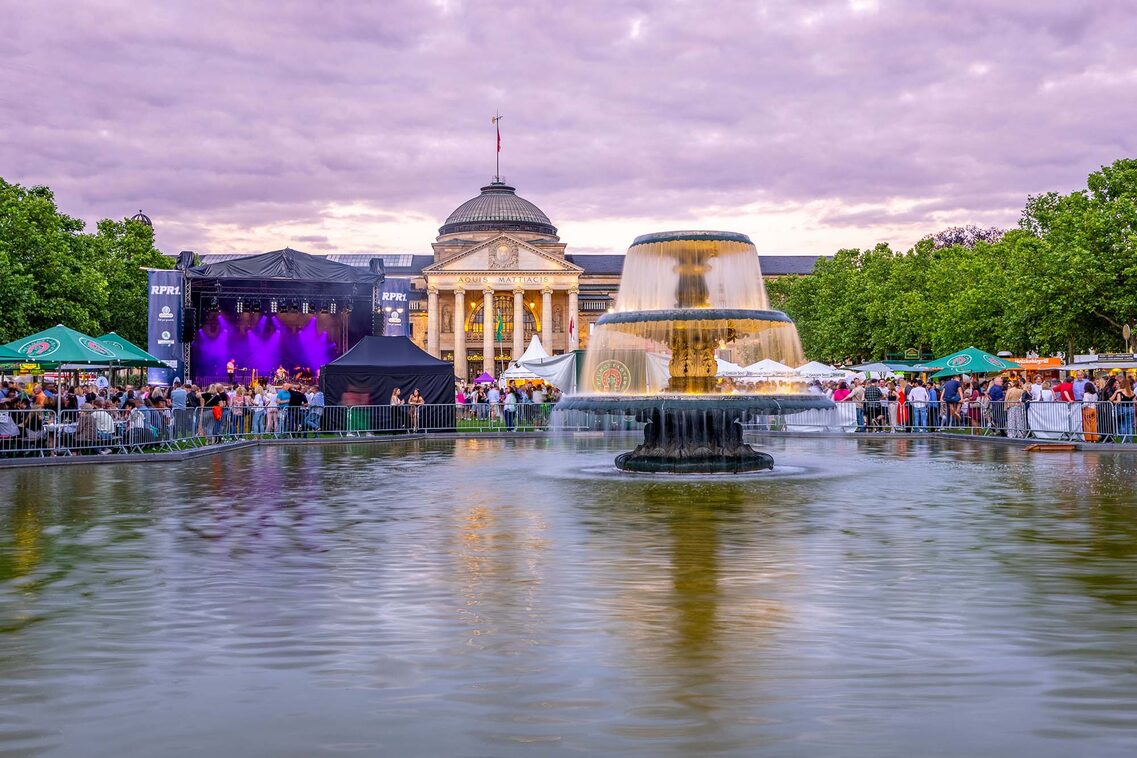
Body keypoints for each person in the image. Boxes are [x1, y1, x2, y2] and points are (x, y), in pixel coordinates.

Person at [1112, 377, 1135, 443]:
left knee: (1122, 425)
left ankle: (1123, 440)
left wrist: (1113, 401)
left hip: (1122, 409)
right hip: (1130, 409)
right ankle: (1130, 441)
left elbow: (1119, 401)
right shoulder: (1131, 392)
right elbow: (1134, 401)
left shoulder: (1120, 392)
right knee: (1129, 425)